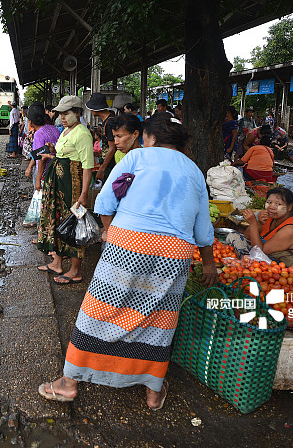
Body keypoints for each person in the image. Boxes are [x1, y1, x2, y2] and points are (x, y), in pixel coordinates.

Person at [37, 113, 218, 409]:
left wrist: (108, 230)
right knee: (159, 321)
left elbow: (107, 201)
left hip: (128, 244)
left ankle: (69, 383)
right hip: (175, 255)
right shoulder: (195, 171)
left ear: (151, 138)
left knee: (100, 312)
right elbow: (202, 229)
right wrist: (209, 264)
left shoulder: (136, 159)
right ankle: (152, 391)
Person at [36, 95, 94, 285]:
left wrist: (84, 193)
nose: (61, 117)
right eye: (60, 113)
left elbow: (87, 166)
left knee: (75, 226)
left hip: (73, 186)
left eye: (66, 113)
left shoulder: (82, 134)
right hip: (60, 185)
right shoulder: (66, 131)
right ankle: (57, 263)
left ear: (77, 113)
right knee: (59, 220)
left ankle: (75, 271)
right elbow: (62, 154)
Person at [225, 187, 293, 268]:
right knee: (234, 236)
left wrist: (253, 224)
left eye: (278, 204)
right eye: (269, 202)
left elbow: (259, 253)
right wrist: (258, 222)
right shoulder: (271, 218)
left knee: (253, 261)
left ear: (289, 207)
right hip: (267, 254)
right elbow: (247, 236)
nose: (271, 207)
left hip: (288, 267)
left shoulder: (290, 230)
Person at [86, 93, 117, 181]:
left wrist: (102, 169)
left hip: (110, 166)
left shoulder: (109, 123)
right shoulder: (106, 121)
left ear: (95, 108)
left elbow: (112, 148)